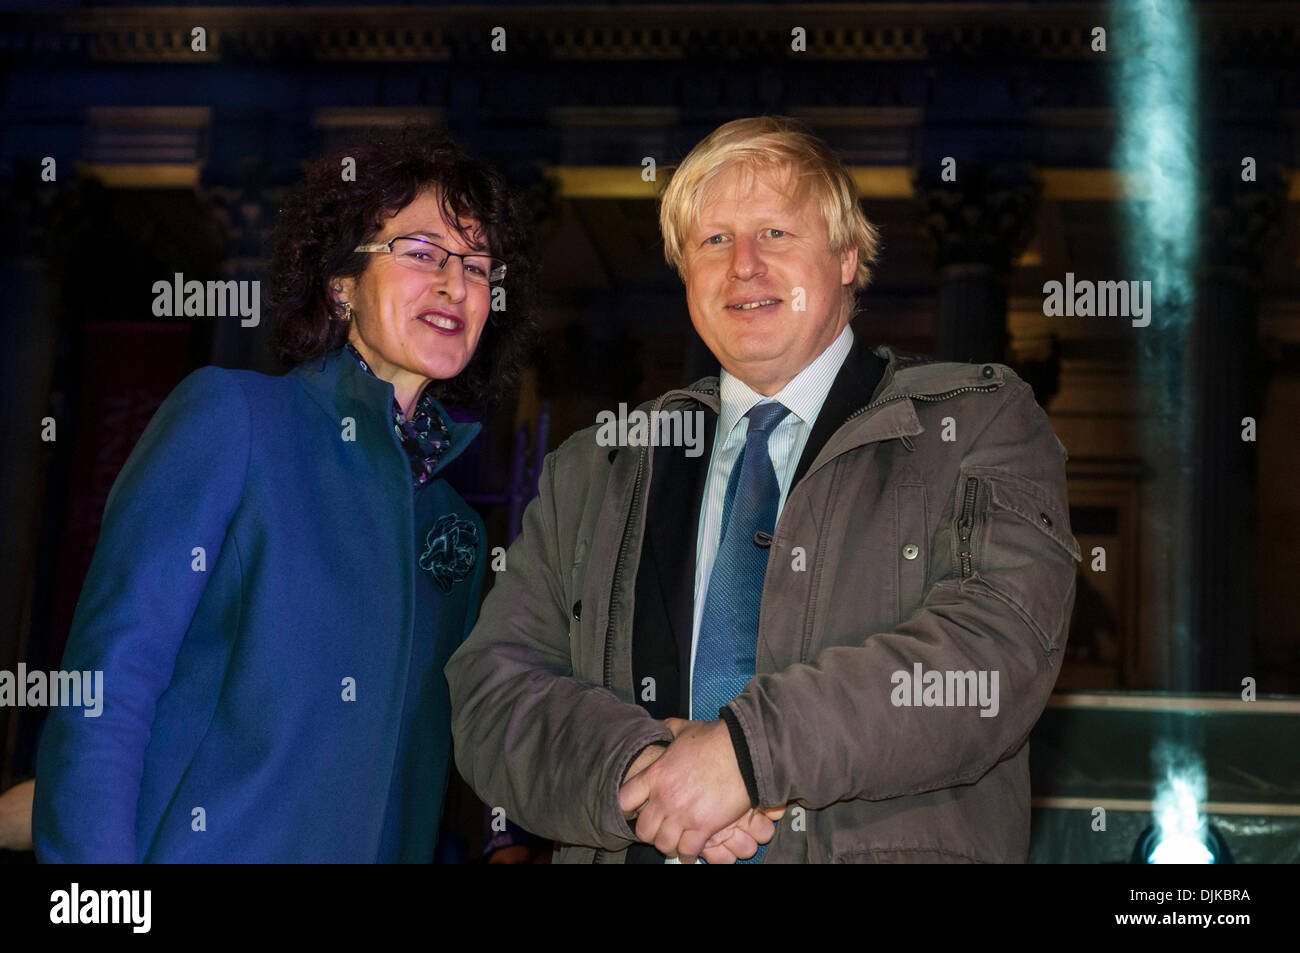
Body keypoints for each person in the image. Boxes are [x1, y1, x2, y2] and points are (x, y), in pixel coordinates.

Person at [446, 115, 1081, 864]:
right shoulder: (597, 465)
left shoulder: (980, 421)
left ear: (846, 256)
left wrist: (747, 755)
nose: (743, 265)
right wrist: (639, 770)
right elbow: (493, 688)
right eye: (713, 240)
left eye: (776, 233)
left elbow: (992, 654)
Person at [32, 125, 535, 862]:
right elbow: (106, 692)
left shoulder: (451, 521)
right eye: (422, 252)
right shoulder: (232, 419)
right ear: (341, 283)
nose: (455, 283)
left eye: (476, 264)